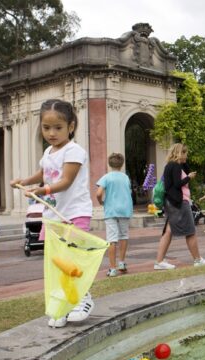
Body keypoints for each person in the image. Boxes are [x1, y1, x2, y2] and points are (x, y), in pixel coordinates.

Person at [11, 99, 95, 328]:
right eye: (46, 128)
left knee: (73, 260)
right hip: (53, 216)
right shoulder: (48, 151)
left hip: (74, 214)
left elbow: (65, 181)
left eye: (57, 127)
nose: (51, 133)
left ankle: (82, 298)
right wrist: (25, 181)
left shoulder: (75, 151)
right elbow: (44, 172)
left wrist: (42, 189)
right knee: (57, 263)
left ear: (71, 126)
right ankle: (64, 305)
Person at [154, 143, 205, 270]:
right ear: (180, 153)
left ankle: (159, 261)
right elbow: (176, 184)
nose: (187, 156)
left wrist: (184, 163)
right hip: (178, 202)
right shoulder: (174, 166)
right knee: (190, 231)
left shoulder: (172, 166)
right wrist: (188, 178)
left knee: (168, 231)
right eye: (185, 153)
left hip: (172, 202)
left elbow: (185, 170)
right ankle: (197, 259)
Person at [96, 153, 133, 277]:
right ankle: (121, 263)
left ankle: (112, 269)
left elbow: (98, 193)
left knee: (112, 239)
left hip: (111, 210)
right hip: (125, 209)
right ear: (122, 164)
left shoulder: (106, 177)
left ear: (109, 163)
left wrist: (101, 201)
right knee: (124, 236)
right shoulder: (126, 177)